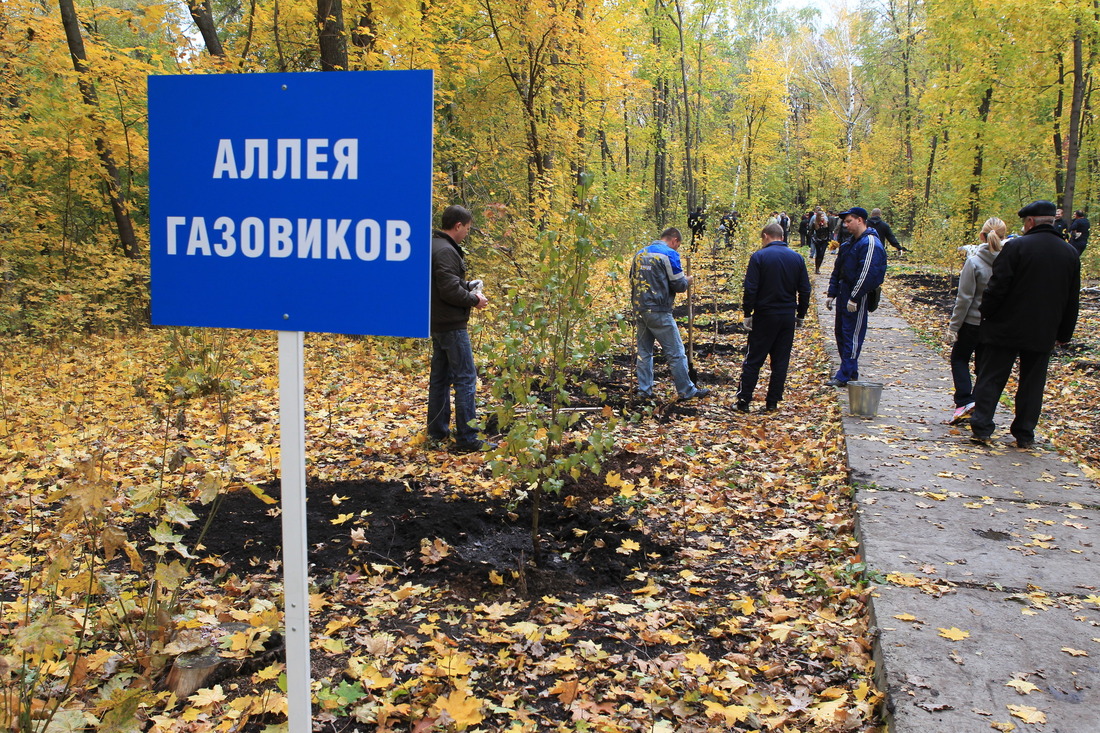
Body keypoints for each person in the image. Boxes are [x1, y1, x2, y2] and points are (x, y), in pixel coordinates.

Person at [970, 200, 1081, 449]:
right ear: (1052, 221)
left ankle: (982, 426)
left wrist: (986, 314)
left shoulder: (1017, 247)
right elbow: (1072, 298)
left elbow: (997, 287)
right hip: (1043, 330)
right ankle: (1024, 433)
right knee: (1032, 383)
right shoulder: (1069, 253)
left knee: (992, 377)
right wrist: (1064, 333)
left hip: (1005, 327)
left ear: (1030, 222)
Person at [427, 205, 493, 453]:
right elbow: (448, 290)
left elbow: (445, 282)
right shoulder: (445, 251)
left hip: (437, 322)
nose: (466, 233)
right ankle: (467, 438)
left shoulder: (434, 246)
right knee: (466, 378)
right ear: (457, 226)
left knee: (440, 379)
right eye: (466, 228)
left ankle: (437, 433)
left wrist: (467, 284)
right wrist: (475, 299)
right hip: (451, 324)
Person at [735, 222, 811, 413]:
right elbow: (805, 289)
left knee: (753, 359)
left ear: (766, 236)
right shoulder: (797, 259)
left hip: (765, 315)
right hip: (787, 316)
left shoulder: (759, 257)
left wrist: (747, 313)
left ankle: (744, 400)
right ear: (782, 237)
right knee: (780, 361)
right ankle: (772, 402)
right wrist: (801, 314)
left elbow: (751, 288)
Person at [631, 227, 711, 401]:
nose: (677, 249)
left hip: (640, 309)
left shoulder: (640, 253)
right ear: (674, 240)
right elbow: (678, 285)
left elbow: (633, 279)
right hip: (659, 310)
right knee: (676, 352)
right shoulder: (669, 254)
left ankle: (644, 390)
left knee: (644, 352)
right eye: (678, 245)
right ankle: (687, 390)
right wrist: (687, 281)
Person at [946, 217, 1006, 423]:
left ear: (981, 236)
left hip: (972, 323)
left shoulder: (974, 262)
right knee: (983, 366)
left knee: (959, 358)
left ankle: (964, 400)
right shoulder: (1009, 262)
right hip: (995, 324)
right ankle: (979, 405)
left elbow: (964, 298)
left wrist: (954, 327)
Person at [825, 207, 887, 386]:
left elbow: (868, 273)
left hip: (857, 297)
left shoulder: (870, 243)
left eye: (848, 221)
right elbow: (838, 270)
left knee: (852, 334)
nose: (845, 225)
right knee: (841, 333)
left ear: (860, 220)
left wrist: (855, 297)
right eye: (844, 222)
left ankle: (844, 374)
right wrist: (831, 293)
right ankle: (850, 371)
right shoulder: (848, 244)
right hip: (844, 292)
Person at [809, 207, 831, 274]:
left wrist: (828, 239)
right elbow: (811, 232)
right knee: (818, 254)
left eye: (823, 216)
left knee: (822, 254)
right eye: (821, 216)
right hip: (817, 240)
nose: (823, 217)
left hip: (824, 240)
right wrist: (814, 239)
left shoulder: (826, 223)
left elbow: (829, 231)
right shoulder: (814, 224)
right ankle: (817, 268)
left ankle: (819, 267)